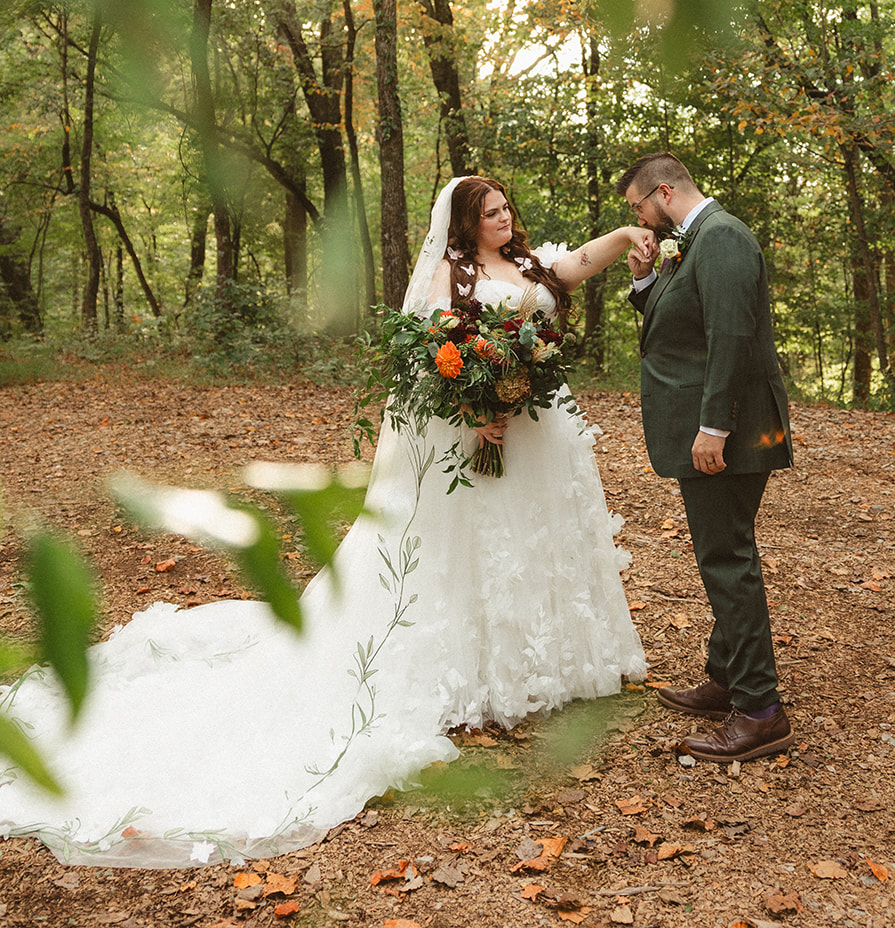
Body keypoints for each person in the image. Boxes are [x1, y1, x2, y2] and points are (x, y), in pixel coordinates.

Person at [0, 176, 648, 868]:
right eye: (490, 213)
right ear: (464, 224)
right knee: (471, 550)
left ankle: (548, 666)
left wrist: (625, 235)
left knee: (533, 542)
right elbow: (430, 361)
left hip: (538, 434)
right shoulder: (446, 274)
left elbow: (576, 263)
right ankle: (477, 673)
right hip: (475, 434)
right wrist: (477, 410)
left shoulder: (526, 266)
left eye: (505, 209)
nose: (503, 218)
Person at [617, 152, 793, 764]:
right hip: (723, 428)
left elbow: (732, 339)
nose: (639, 219)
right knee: (727, 548)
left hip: (733, 432)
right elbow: (683, 321)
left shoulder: (720, 239)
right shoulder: (693, 242)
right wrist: (644, 279)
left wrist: (712, 426)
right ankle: (727, 681)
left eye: (638, 207)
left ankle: (760, 712)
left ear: (663, 193)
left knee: (726, 558)